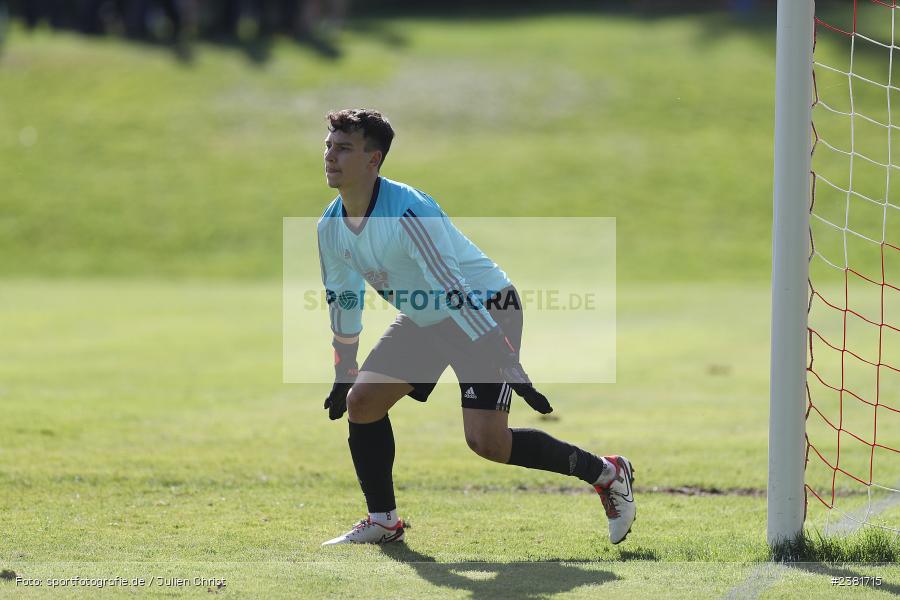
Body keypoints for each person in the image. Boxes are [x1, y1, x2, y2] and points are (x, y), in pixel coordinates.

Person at [316, 108, 635, 546]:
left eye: (344, 148)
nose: (331, 156)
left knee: (487, 442)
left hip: (485, 309)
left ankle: (607, 472)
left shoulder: (409, 211)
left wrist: (501, 357)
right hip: (427, 315)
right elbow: (344, 298)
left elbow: (454, 288)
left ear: (374, 160)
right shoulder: (330, 226)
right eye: (329, 145)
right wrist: (344, 368)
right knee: (363, 402)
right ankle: (383, 520)